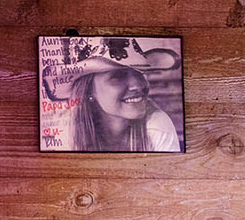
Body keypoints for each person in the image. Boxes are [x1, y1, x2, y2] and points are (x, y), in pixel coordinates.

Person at [42, 39, 183, 151]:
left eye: (140, 72)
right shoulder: (64, 135)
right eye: (118, 76)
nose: (138, 85)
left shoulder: (156, 126)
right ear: (89, 91)